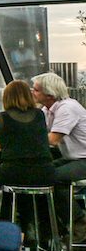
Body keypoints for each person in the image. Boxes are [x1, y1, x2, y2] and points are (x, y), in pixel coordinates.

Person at [32, 72, 86, 236]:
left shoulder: (67, 108)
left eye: (36, 90)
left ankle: (80, 222)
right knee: (37, 174)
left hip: (83, 159)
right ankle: (53, 228)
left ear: (49, 94)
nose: (32, 92)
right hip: (71, 158)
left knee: (52, 177)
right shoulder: (47, 110)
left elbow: (53, 139)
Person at [0, 80, 55, 189]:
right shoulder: (39, 114)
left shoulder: (1, 117)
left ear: (6, 97)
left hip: (13, 173)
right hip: (44, 173)